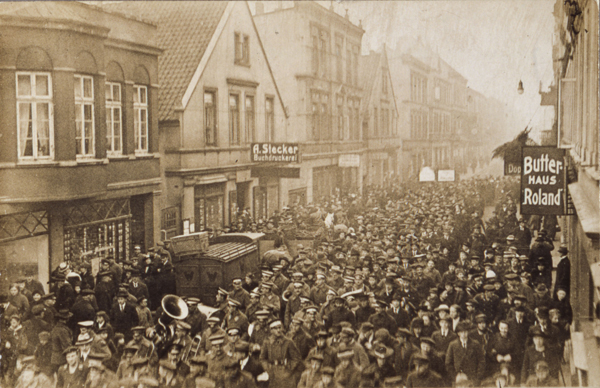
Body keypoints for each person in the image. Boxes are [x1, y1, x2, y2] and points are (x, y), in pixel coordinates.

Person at [259, 319, 302, 388]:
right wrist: (267, 368)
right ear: (271, 330)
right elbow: (262, 358)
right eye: (275, 328)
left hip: (285, 373)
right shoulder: (267, 342)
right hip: (272, 372)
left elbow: (296, 358)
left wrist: (289, 368)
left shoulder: (288, 342)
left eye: (279, 327)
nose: (278, 330)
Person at [445, 321, 486, 386]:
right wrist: (455, 376)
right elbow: (448, 363)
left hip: (473, 377)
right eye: (461, 332)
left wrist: (478, 377)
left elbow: (481, 361)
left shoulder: (475, 344)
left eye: (465, 332)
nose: (464, 334)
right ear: (458, 333)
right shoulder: (453, 345)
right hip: (458, 377)